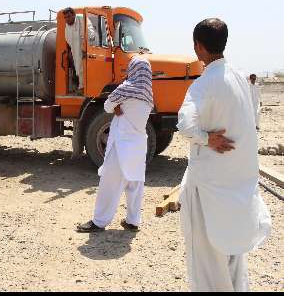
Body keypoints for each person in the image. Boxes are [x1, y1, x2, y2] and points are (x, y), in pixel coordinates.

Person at [177, 18, 271, 292]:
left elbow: (185, 124)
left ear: (198, 47)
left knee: (205, 262)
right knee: (234, 258)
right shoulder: (241, 78)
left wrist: (207, 139)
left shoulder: (204, 85)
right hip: (238, 185)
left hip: (207, 187)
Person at [77, 56, 154, 233]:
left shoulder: (126, 88)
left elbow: (107, 106)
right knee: (135, 184)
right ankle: (133, 221)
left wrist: (117, 107)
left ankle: (98, 222)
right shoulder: (149, 94)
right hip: (138, 145)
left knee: (109, 184)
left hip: (121, 145)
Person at [63, 7, 96, 93]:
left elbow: (91, 33)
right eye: (65, 17)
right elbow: (68, 39)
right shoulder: (67, 26)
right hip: (76, 51)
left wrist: (87, 48)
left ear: (74, 15)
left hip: (88, 51)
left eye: (69, 16)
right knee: (79, 67)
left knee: (86, 69)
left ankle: (86, 88)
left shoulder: (82, 19)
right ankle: (82, 87)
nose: (67, 19)